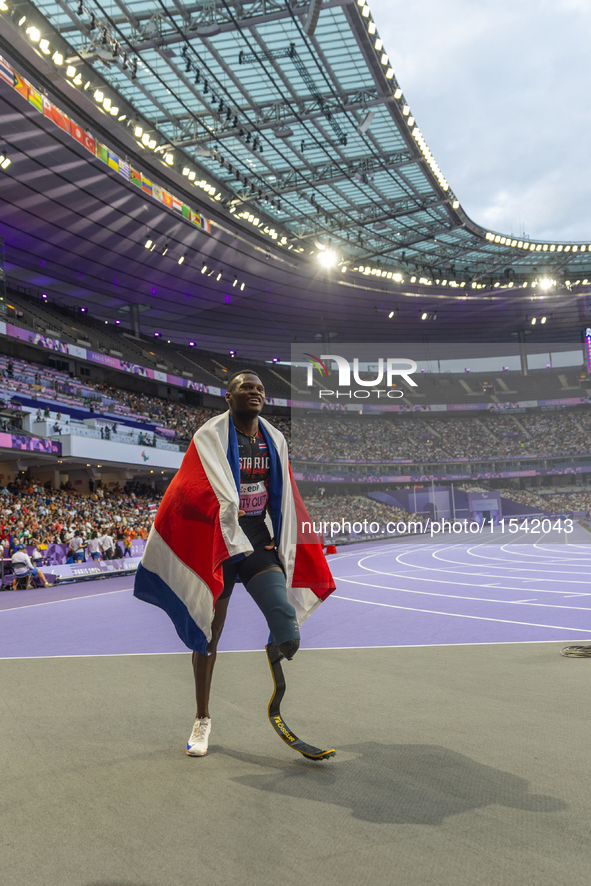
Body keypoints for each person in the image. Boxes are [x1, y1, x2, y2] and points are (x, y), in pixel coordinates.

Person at [134, 370, 335, 757]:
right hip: (219, 539)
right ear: (229, 397)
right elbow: (190, 489)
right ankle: (202, 719)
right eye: (246, 387)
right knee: (211, 632)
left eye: (260, 388)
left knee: (287, 630)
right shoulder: (208, 436)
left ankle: (276, 661)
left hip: (257, 536)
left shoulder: (274, 439)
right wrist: (228, 517)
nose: (255, 391)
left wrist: (279, 531)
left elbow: (283, 492)